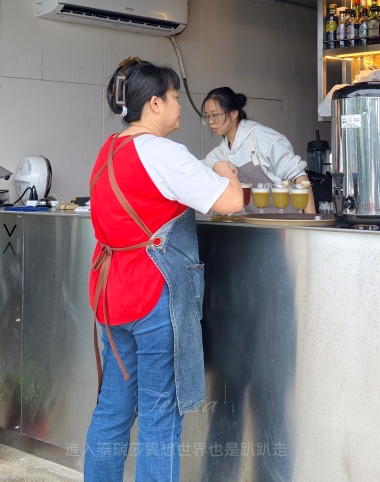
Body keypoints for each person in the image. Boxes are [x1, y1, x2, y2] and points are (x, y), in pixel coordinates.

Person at [85, 59, 243, 482]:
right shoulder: (163, 153)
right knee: (159, 417)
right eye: (174, 98)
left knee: (114, 408)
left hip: (111, 295)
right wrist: (226, 173)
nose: (179, 107)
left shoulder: (108, 150)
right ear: (154, 103)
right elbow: (231, 202)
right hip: (154, 297)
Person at [201, 87, 315, 213]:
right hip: (255, 227)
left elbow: (300, 177)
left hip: (287, 223)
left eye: (215, 115)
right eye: (207, 117)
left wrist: (310, 224)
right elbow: (197, 173)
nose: (211, 121)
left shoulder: (261, 137)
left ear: (234, 113)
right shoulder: (219, 154)